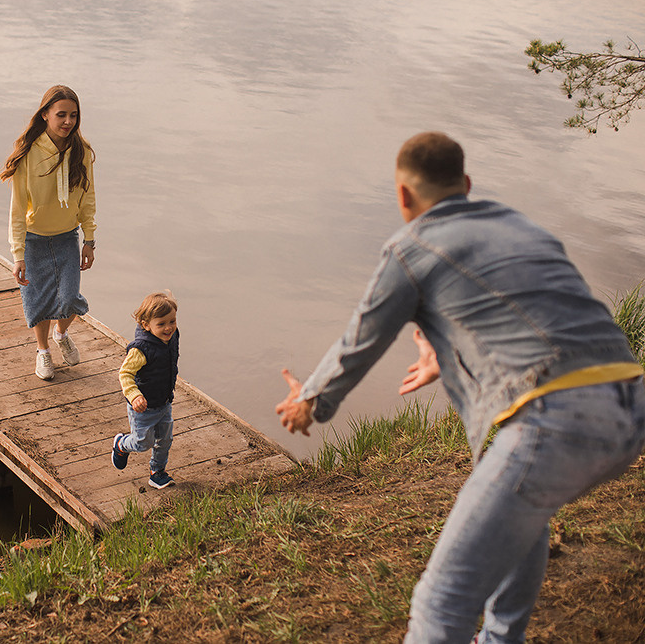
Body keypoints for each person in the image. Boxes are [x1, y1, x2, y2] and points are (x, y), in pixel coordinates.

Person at [275, 131, 645, 643]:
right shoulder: (522, 226)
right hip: (630, 404)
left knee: (440, 601)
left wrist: (311, 400)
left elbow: (360, 340)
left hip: (553, 421)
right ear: (466, 184)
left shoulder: (410, 248)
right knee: (524, 517)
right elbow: (530, 317)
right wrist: (442, 353)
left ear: (403, 196)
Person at [0, 85, 97, 380]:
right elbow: (17, 209)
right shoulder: (29, 153)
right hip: (34, 239)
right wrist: (18, 255)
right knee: (39, 302)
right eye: (61, 115)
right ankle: (43, 352)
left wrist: (90, 239)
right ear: (45, 115)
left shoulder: (81, 151)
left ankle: (61, 334)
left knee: (70, 299)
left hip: (67, 237)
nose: (68, 121)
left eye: (73, 115)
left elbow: (88, 199)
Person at [112, 292, 180, 489]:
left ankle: (157, 472)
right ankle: (121, 444)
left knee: (165, 440)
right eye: (161, 324)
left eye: (172, 321)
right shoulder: (141, 349)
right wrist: (135, 396)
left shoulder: (172, 336)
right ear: (146, 325)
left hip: (164, 402)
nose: (168, 328)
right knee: (142, 443)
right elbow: (125, 373)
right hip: (143, 407)